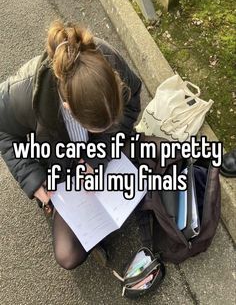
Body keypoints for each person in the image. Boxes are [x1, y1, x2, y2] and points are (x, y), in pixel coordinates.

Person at [0, 21, 142, 270]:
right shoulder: (22, 94)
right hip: (59, 169)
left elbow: (133, 100)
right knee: (68, 255)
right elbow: (3, 132)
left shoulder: (108, 60)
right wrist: (33, 180)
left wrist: (98, 155)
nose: (110, 126)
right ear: (68, 110)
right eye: (100, 126)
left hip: (95, 157)